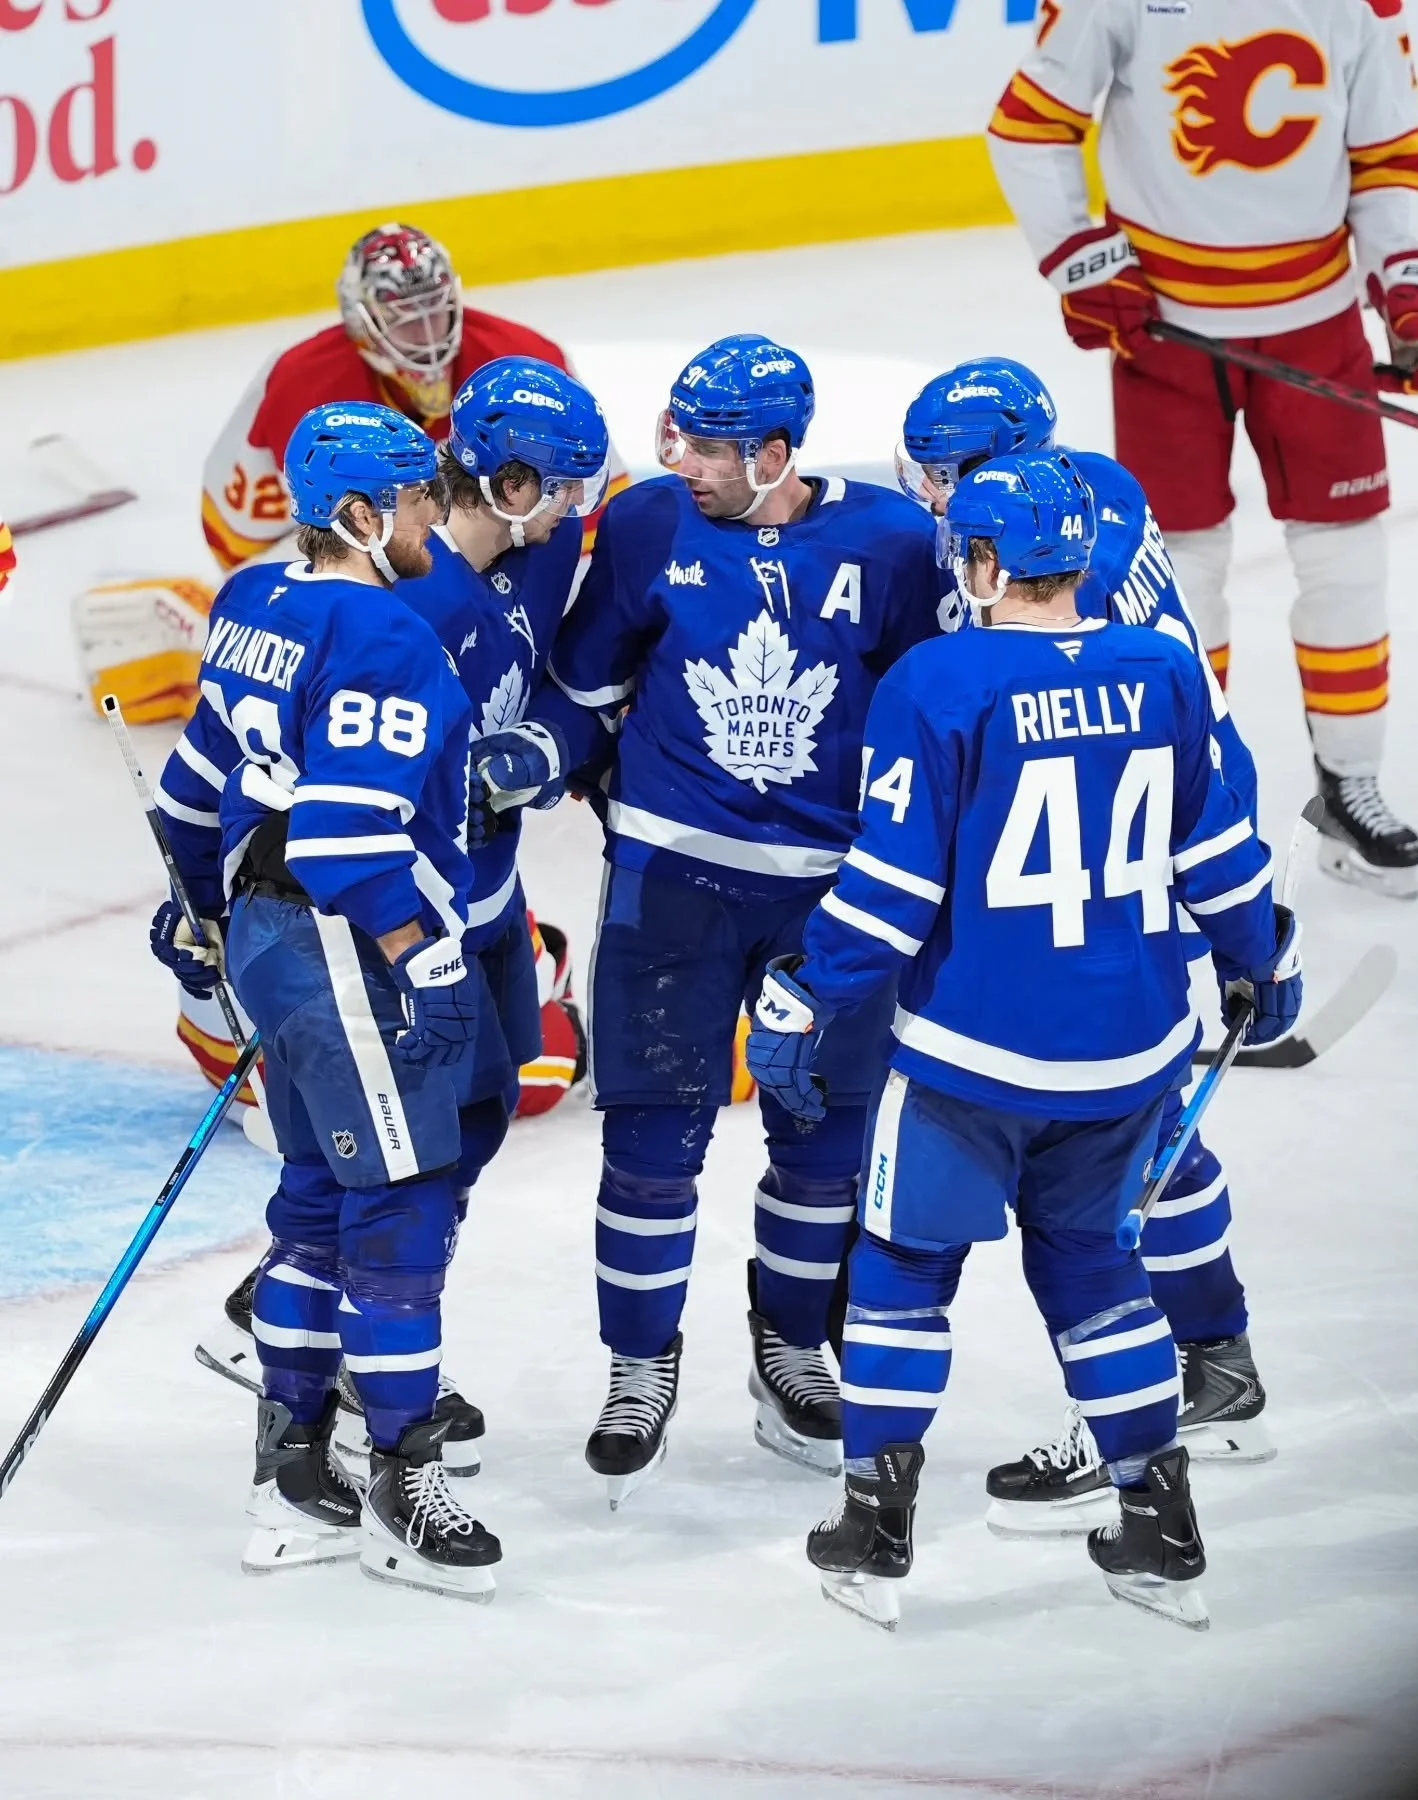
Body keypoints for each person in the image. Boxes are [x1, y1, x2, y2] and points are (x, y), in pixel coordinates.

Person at [744, 450, 1303, 1632]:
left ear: (987, 564)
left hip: (972, 1055)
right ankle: (1159, 1516)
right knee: (1100, 1274)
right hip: (1131, 1052)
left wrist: (806, 991)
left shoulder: (942, 680)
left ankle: (877, 1517)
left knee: (902, 1265)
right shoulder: (1162, 665)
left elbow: (892, 890)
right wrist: (1268, 957)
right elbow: (1218, 853)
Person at [477, 335, 957, 1505]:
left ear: (778, 453)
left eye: (704, 444)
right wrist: (541, 749)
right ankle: (639, 1366)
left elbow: (937, 714)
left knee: (822, 1153)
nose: (674, 456)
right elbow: (586, 689)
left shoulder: (893, 545)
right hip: (671, 883)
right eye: (673, 432)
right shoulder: (646, 524)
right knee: (647, 1150)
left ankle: (791, 1346)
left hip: (828, 901)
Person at [896, 360, 1274, 1537]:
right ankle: (1218, 1360)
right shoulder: (1081, 492)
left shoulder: (1061, 566)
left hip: (1130, 832)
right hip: (1153, 806)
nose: (935, 499)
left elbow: (1044, 711)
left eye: (948, 473)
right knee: (1148, 1128)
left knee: (1129, 1141)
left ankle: (1189, 1372)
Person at [148, 400, 502, 1601]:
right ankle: (403, 1482)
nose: (433, 518)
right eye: (414, 500)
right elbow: (351, 841)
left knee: (315, 1200)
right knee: (398, 1206)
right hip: (342, 937)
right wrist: (432, 958)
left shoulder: (255, 597)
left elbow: (192, 784)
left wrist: (200, 913)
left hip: (264, 933)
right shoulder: (388, 634)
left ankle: (292, 1479)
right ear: (361, 513)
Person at [988, 0, 1418, 897]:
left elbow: (1386, 158)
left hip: (1317, 324)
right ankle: (1186, 798)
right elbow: (1028, 126)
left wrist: (1408, 278)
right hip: (1164, 332)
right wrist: (1079, 256)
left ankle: (1350, 785)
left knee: (1345, 561)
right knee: (1177, 571)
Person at [200, 222, 626, 573]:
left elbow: (596, 506)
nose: (428, 339)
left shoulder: (525, 363)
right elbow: (241, 539)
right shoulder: (300, 385)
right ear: (361, 322)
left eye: (435, 312)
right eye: (405, 322)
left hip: (510, 552)